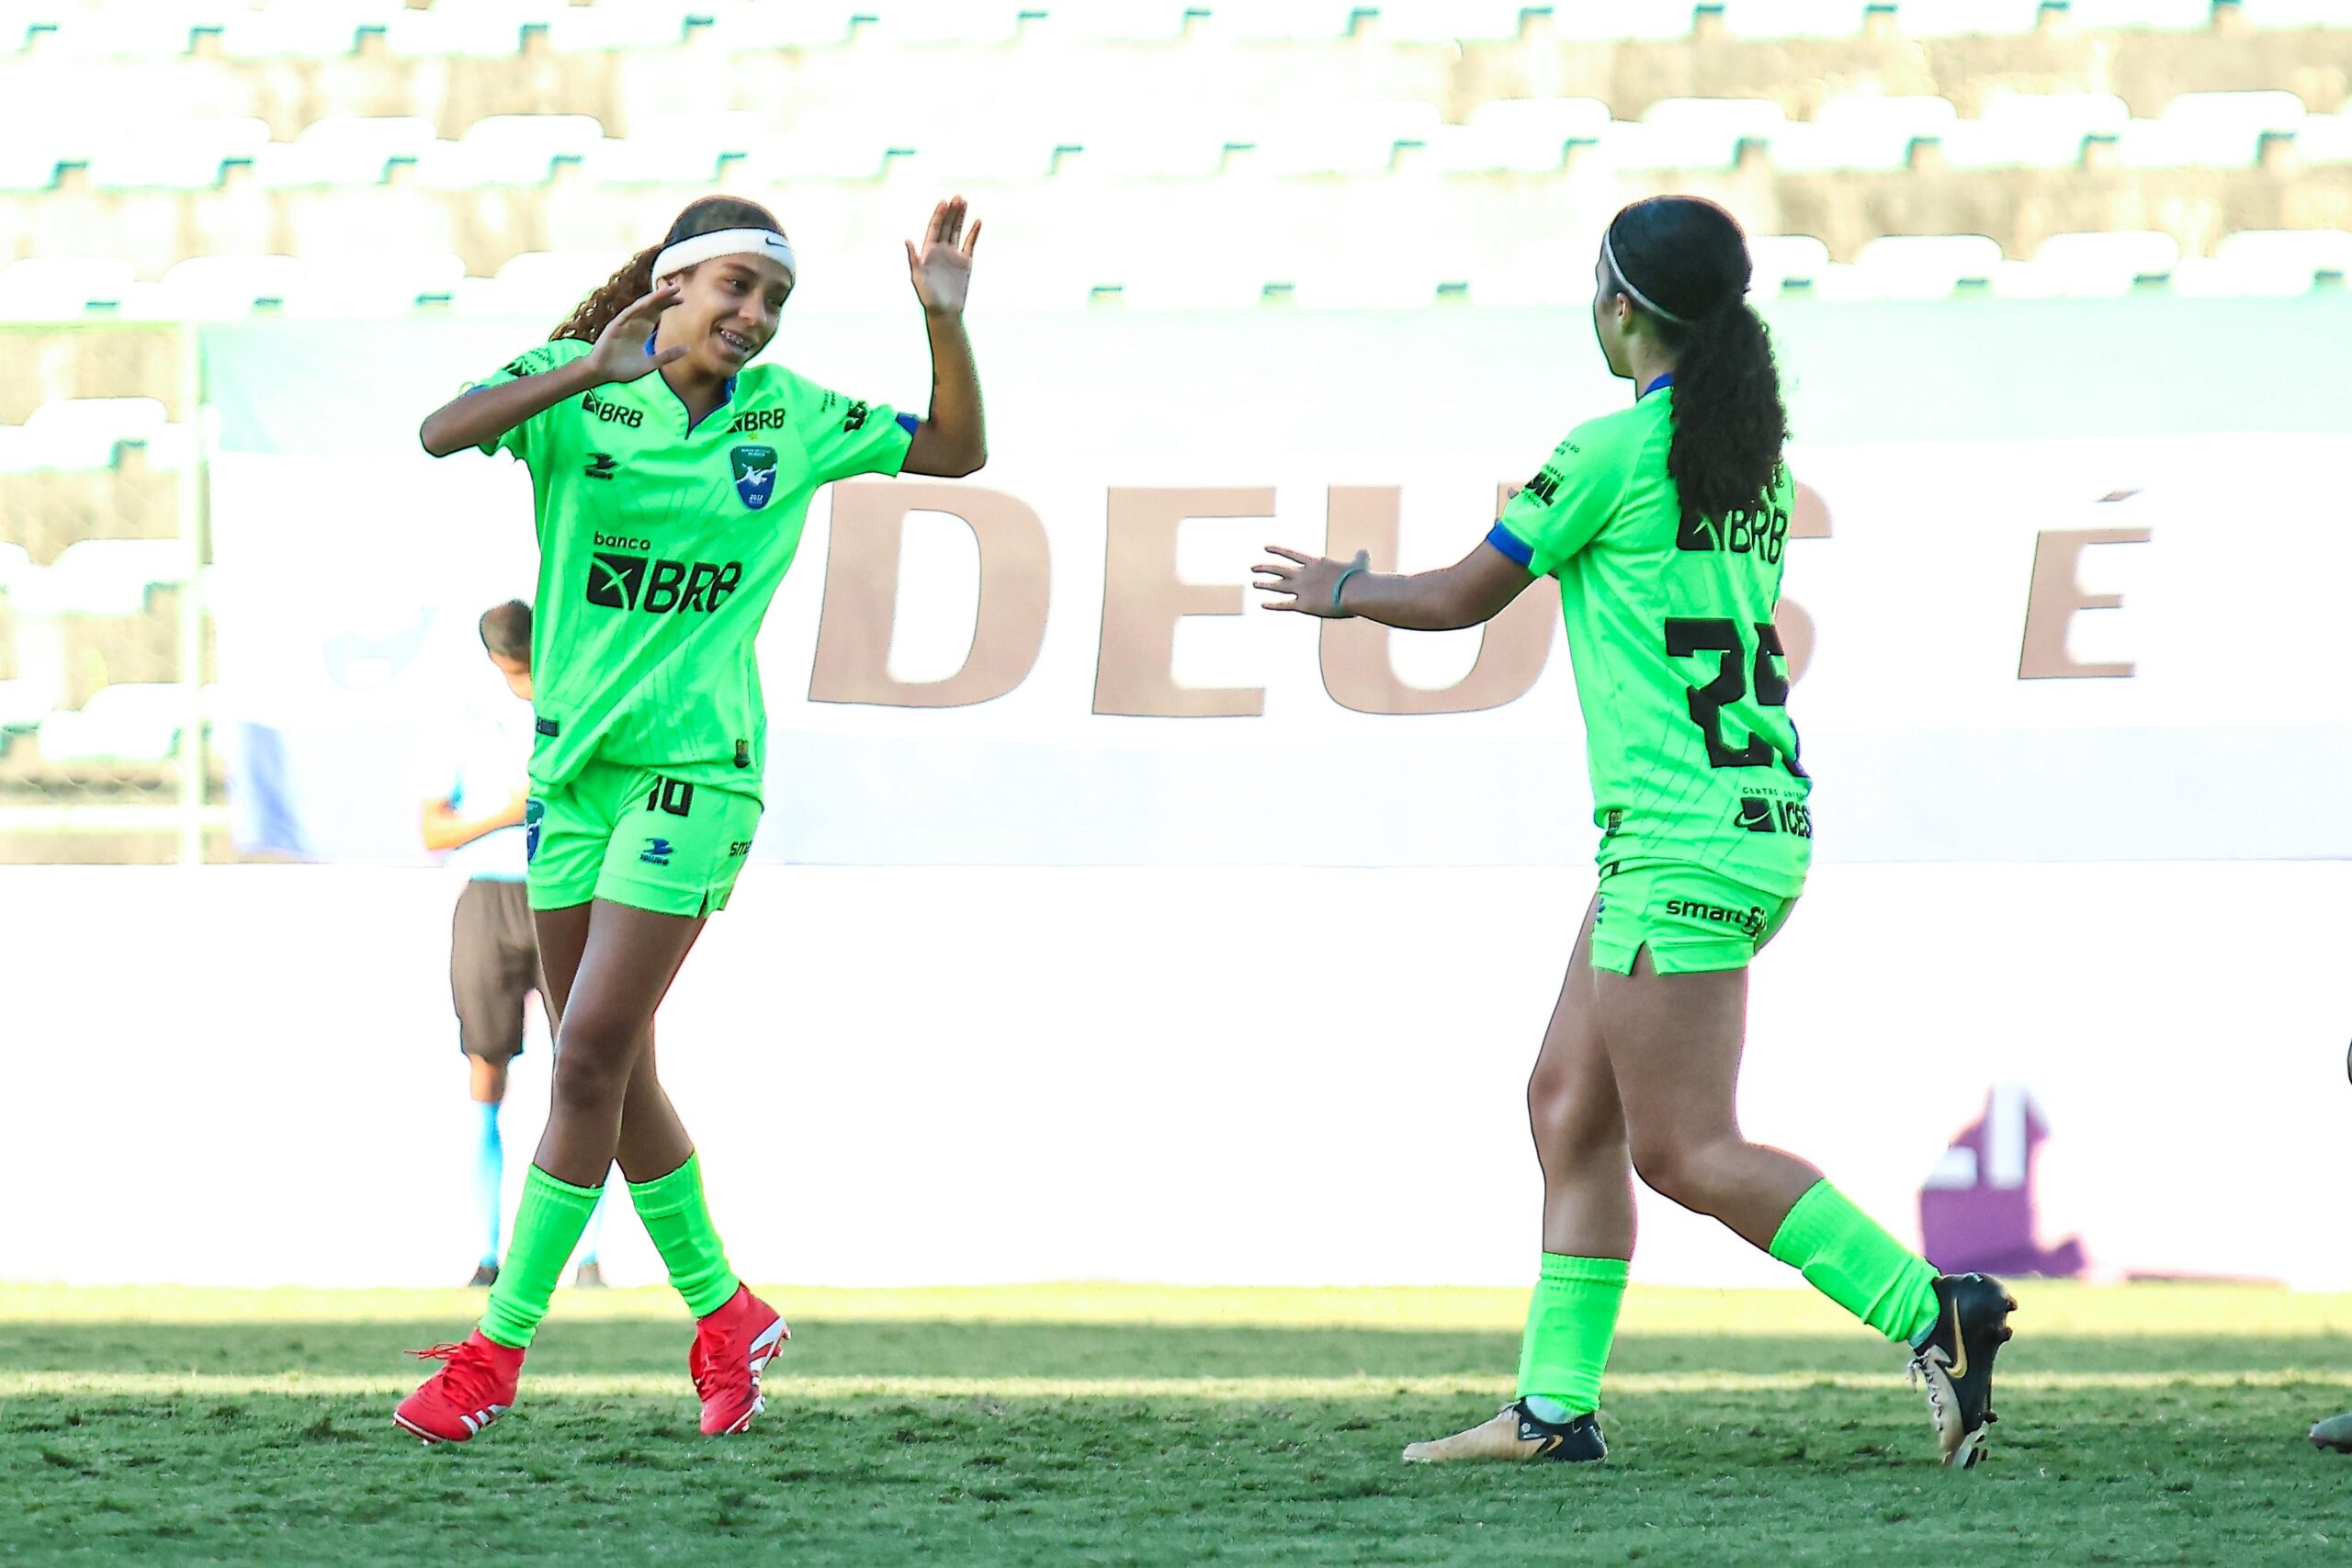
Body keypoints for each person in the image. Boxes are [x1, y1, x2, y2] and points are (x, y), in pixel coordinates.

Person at [1252, 196, 2015, 1470]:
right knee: (1567, 1101)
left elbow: (1458, 593)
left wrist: (1341, 588)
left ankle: (1929, 1308)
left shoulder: (1610, 451)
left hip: (1682, 840)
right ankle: (1555, 1409)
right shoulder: (1746, 463)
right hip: (1728, 824)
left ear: (1622, 307)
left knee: (1683, 1146)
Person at [393, 193, 986, 1444]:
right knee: (620, 1067)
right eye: (736, 287)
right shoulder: (575, 384)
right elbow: (441, 433)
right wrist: (575, 378)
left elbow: (953, 449)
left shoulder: (793, 417)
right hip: (577, 780)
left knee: (589, 1055)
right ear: (669, 285)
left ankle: (497, 1351)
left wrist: (944, 322)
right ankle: (726, 1310)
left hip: (697, 776)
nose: (756, 316)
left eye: (772, 300)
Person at [422, 598, 605, 1292]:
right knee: (487, 1072)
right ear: (499, 661)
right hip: (490, 900)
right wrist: (506, 810)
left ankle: (588, 1257)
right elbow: (434, 830)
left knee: (587, 1070)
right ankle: (486, 1252)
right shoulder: (467, 719)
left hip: (564, 891)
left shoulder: (579, 704)